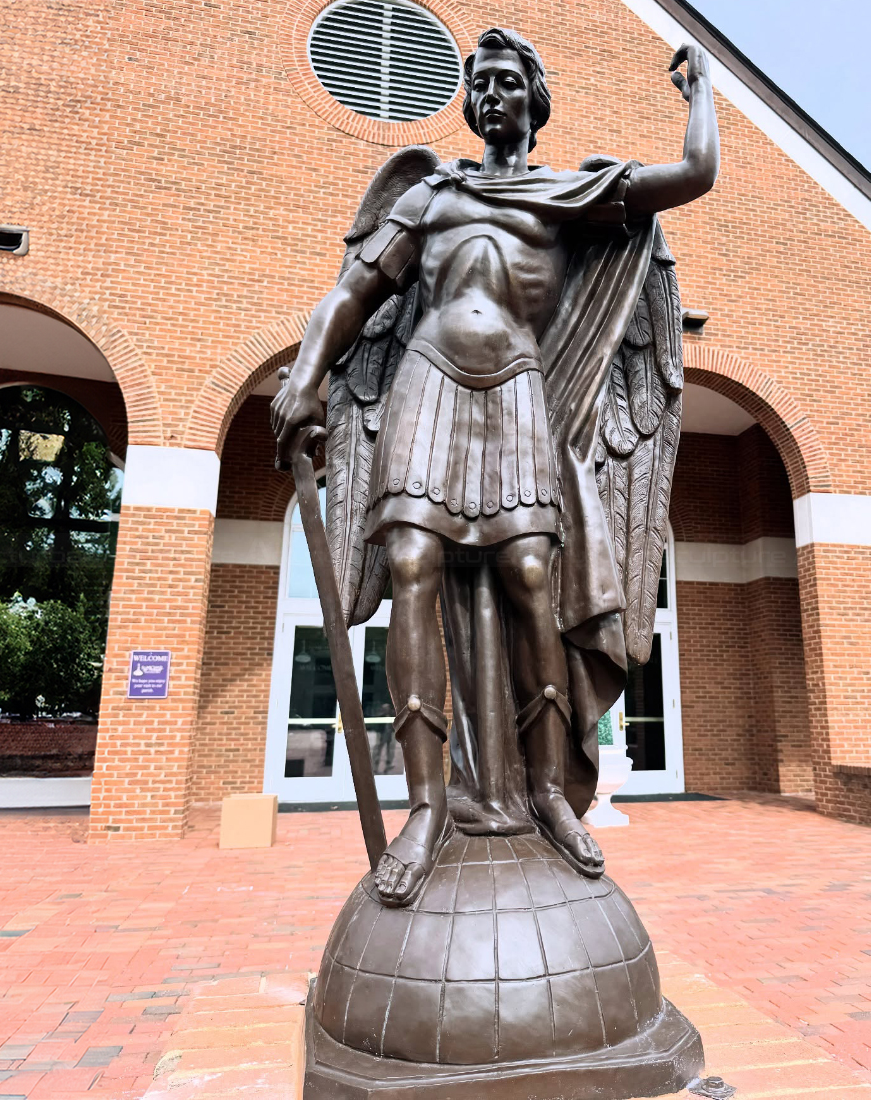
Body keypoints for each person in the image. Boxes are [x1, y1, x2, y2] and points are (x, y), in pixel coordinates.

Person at [272, 27, 719, 906]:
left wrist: (701, 86)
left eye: (508, 83)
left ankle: (548, 792)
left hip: (519, 394)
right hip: (426, 384)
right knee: (411, 569)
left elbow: (694, 175)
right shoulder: (430, 197)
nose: (490, 97)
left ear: (533, 102)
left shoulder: (569, 194)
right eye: (479, 85)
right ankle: (427, 809)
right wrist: (304, 378)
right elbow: (351, 295)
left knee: (528, 578)